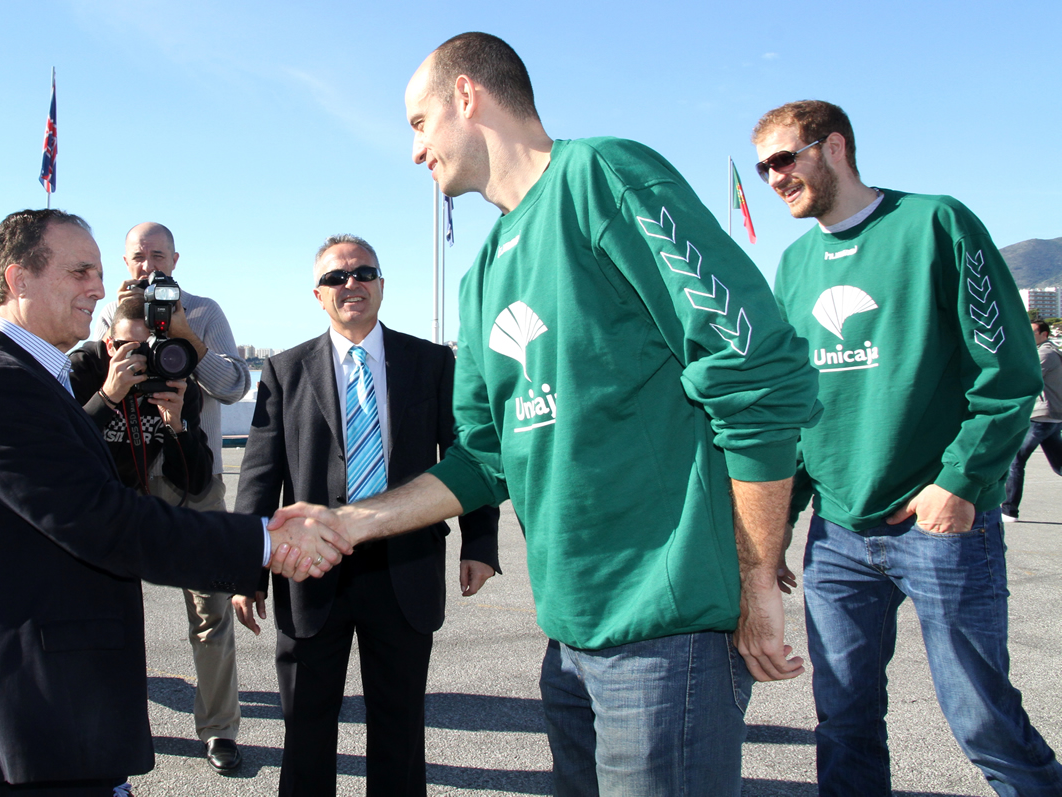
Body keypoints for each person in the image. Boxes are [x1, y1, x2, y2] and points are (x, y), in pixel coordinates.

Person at [269, 33, 823, 796]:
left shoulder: (604, 177)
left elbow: (752, 361)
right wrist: (349, 521)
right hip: (568, 645)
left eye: (418, 123)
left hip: (667, 636)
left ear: (467, 96)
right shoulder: (486, 269)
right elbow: (482, 458)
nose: (413, 151)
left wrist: (758, 574)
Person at [0, 208, 346, 796]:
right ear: (18, 281)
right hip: (31, 720)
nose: (98, 289)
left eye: (97, 273)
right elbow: (104, 522)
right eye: (80, 273)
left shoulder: (20, 373)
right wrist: (267, 540)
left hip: (50, 714)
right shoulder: (1, 382)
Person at [753, 99, 1062, 795]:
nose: (773, 178)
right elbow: (798, 413)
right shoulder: (794, 264)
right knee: (842, 723)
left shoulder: (935, 224)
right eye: (762, 166)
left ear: (833, 147)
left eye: (784, 158)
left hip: (940, 523)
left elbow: (1009, 373)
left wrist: (961, 480)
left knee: (980, 718)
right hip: (837, 536)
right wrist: (776, 531)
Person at [231, 234, 501, 797]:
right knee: (306, 726)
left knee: (399, 729)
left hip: (405, 567)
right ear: (317, 294)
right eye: (335, 277)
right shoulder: (283, 371)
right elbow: (259, 475)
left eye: (362, 273)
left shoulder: (430, 362)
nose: (349, 284)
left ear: (380, 285)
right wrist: (247, 569)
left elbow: (466, 454)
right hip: (311, 572)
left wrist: (480, 541)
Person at [91, 222, 252, 772]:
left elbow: (233, 386)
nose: (148, 266)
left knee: (210, 609)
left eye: (158, 255)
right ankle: (111, 717)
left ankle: (219, 730)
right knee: (107, 607)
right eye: (138, 256)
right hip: (122, 477)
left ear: (177, 258)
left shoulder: (204, 311)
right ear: (125, 260)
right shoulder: (103, 314)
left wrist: (186, 334)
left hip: (191, 472)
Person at [70, 297, 213, 503]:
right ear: (109, 345)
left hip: (124, 501)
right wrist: (107, 397)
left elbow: (197, 484)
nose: (142, 359)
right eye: (130, 348)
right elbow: (60, 446)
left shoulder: (175, 385)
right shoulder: (83, 369)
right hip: (74, 497)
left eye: (152, 348)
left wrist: (176, 428)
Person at [1002, 319, 1062, 522]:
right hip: (1050, 418)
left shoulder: (1045, 353)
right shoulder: (1049, 351)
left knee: (1015, 460)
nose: (1028, 334)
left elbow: (1025, 377)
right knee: (1059, 465)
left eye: (1033, 331)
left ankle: (1009, 510)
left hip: (1041, 417)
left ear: (1044, 334)